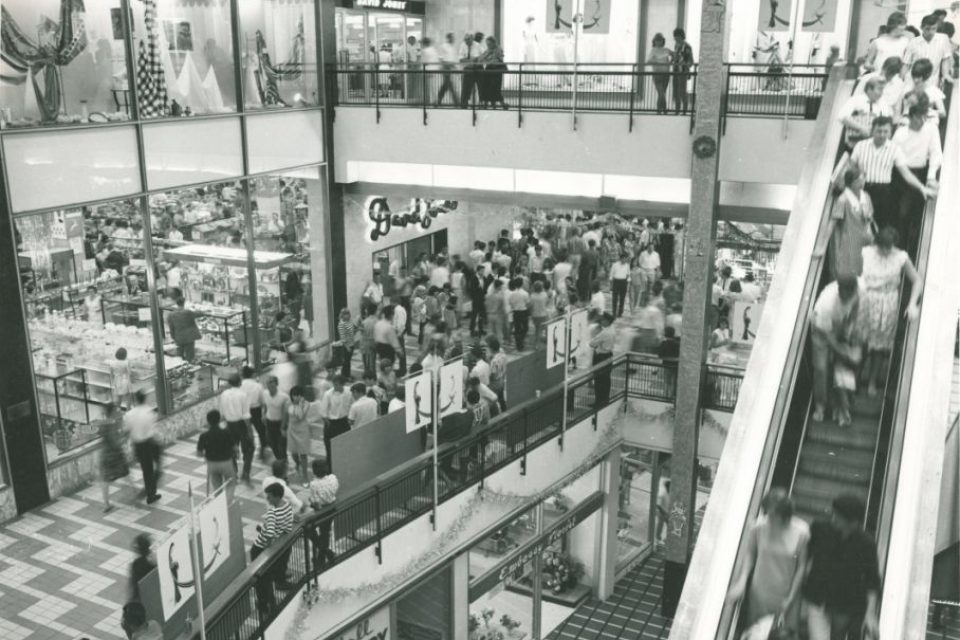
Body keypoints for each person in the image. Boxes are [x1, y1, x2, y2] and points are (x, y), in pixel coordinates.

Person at [727, 489, 810, 633]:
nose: (768, 517)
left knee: (784, 633)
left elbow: (803, 566)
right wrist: (741, 583)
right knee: (757, 632)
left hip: (786, 592)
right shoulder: (759, 527)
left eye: (773, 514)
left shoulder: (802, 531)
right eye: (767, 513)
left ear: (785, 514)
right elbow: (750, 555)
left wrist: (790, 599)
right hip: (760, 592)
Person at [803, 494, 880, 640]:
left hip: (845, 605)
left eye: (839, 517)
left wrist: (870, 614)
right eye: (833, 514)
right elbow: (804, 557)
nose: (833, 519)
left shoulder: (866, 544)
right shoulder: (820, 529)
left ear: (854, 522)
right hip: (817, 599)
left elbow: (873, 581)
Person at [858, 227, 922, 398]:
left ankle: (872, 381)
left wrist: (912, 304)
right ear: (877, 244)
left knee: (879, 346)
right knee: (862, 342)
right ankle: (856, 379)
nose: (886, 251)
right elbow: (856, 276)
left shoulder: (901, 257)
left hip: (888, 304)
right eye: (882, 247)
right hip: (867, 300)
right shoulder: (866, 253)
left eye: (889, 247)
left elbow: (917, 280)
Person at [850, 116, 935, 230]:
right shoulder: (860, 146)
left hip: (883, 193)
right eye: (879, 131)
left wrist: (922, 188)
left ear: (890, 132)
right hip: (862, 190)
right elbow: (850, 168)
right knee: (860, 225)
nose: (882, 135)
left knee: (881, 226)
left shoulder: (895, 149)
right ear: (872, 131)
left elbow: (906, 174)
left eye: (886, 131)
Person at [810, 274, 862, 425]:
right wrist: (843, 351)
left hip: (839, 324)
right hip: (821, 329)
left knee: (843, 365)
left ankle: (843, 406)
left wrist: (850, 330)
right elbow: (827, 336)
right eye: (840, 291)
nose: (841, 294)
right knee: (821, 368)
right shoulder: (827, 303)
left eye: (846, 292)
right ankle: (820, 407)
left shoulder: (858, 291)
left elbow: (855, 307)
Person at [892, 98, 942, 255]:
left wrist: (931, 176)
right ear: (910, 117)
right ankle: (900, 248)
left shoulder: (931, 129)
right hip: (900, 174)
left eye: (924, 117)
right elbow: (893, 156)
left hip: (919, 173)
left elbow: (936, 152)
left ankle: (909, 248)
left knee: (910, 212)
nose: (922, 121)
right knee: (900, 212)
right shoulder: (900, 133)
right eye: (919, 117)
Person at [251, 483, 296, 615]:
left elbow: (269, 534)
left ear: (276, 497)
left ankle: (264, 604)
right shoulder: (287, 506)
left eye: (269, 497)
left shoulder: (272, 512)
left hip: (260, 548)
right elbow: (287, 528)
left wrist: (266, 547)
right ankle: (269, 603)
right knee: (267, 577)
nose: (267, 499)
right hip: (276, 545)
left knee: (261, 579)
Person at [828, 166, 875, 278]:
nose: (863, 182)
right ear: (852, 182)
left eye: (863, 179)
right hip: (847, 242)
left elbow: (869, 219)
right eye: (859, 180)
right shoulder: (842, 200)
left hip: (864, 241)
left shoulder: (866, 197)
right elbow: (832, 223)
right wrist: (821, 247)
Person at [124, 391, 161, 504]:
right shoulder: (150, 412)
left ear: (135, 399)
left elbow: (126, 430)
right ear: (144, 398)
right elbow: (153, 427)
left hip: (138, 445)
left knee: (146, 469)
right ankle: (150, 492)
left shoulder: (129, 415)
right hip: (151, 443)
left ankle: (150, 492)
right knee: (158, 466)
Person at [839, 77, 892, 149]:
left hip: (875, 145)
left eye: (882, 90)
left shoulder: (884, 104)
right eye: (879, 89)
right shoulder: (855, 100)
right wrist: (861, 128)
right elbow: (842, 117)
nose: (881, 93)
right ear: (869, 89)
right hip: (855, 144)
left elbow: (887, 122)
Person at [220, 374, 254, 484]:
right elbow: (246, 415)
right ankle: (246, 473)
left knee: (231, 450)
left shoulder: (224, 394)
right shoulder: (243, 395)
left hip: (229, 425)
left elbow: (222, 413)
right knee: (249, 448)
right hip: (241, 425)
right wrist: (250, 431)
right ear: (240, 382)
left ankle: (234, 473)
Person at [903, 13, 954, 83]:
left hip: (932, 81)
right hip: (913, 80)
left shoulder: (943, 39)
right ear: (921, 27)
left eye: (934, 28)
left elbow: (945, 59)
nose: (931, 32)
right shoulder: (913, 42)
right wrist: (900, 81)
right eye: (927, 29)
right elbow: (906, 64)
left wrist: (946, 74)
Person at [307, 459, 339, 568]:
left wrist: (311, 502)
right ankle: (324, 555)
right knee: (325, 532)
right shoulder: (333, 479)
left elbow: (315, 501)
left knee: (311, 529)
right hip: (331, 508)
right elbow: (335, 490)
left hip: (321, 511)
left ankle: (325, 553)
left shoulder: (314, 484)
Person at [197, 409, 236, 494]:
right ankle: (228, 503)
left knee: (217, 488)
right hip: (226, 462)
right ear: (219, 419)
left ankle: (219, 503)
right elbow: (234, 447)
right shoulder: (226, 433)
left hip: (212, 464)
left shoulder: (204, 436)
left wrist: (206, 456)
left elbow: (199, 453)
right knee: (230, 484)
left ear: (208, 421)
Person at [98, 403, 128, 512]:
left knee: (105, 479)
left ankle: (106, 504)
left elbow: (87, 429)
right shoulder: (113, 424)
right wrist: (124, 438)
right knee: (125, 473)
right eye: (116, 410)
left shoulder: (102, 423)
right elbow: (115, 441)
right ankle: (133, 494)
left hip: (104, 455)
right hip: (114, 454)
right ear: (112, 412)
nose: (118, 412)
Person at [318, 375, 351, 470]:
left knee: (345, 447)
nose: (335, 387)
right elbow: (323, 412)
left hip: (344, 422)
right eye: (334, 384)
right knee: (330, 449)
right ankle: (331, 470)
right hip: (331, 423)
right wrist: (328, 425)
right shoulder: (328, 394)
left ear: (342, 385)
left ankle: (344, 468)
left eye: (337, 385)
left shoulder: (349, 391)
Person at [286, 386, 314, 485]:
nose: (296, 397)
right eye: (294, 395)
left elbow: (300, 416)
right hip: (292, 430)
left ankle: (305, 477)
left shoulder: (306, 404)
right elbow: (287, 416)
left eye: (299, 395)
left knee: (303, 454)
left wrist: (300, 404)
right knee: (293, 453)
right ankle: (297, 464)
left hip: (302, 431)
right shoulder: (289, 404)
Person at [241, 366, 267, 460]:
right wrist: (264, 414)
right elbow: (263, 401)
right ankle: (262, 451)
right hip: (256, 410)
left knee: (244, 431)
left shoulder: (240, 385)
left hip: (243, 410)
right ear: (252, 374)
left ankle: (246, 450)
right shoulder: (258, 385)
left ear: (242, 375)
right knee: (261, 431)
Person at [590, 312, 616, 407]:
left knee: (599, 380)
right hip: (608, 355)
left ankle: (599, 401)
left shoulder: (605, 333)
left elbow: (592, 343)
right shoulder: (612, 329)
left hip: (601, 357)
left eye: (602, 320)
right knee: (606, 379)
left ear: (607, 321)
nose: (601, 321)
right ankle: (605, 400)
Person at [261, 375, 289, 461]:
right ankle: (279, 460)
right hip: (270, 423)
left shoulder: (284, 396)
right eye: (268, 383)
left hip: (280, 423)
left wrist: (283, 427)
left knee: (281, 445)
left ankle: (283, 461)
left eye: (271, 382)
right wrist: (263, 415)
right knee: (272, 443)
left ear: (276, 384)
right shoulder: (265, 394)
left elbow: (285, 413)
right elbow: (265, 405)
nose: (269, 385)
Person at [478, 36, 507, 109]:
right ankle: (487, 104)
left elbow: (496, 60)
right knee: (486, 86)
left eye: (490, 44)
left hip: (496, 70)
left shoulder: (498, 49)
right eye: (487, 44)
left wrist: (488, 59)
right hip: (489, 70)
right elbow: (480, 59)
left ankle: (497, 104)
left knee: (495, 88)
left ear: (494, 43)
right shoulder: (488, 50)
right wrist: (488, 55)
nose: (488, 45)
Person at [168, 297, 200, 361]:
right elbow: (199, 314)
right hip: (189, 337)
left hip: (179, 337)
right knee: (190, 355)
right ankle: (189, 367)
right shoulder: (188, 312)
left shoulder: (171, 315)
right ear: (184, 303)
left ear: (176, 304)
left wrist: (173, 337)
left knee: (179, 355)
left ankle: (180, 367)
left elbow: (171, 327)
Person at [648, 33, 673, 114]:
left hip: (666, 74)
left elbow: (675, 55)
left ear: (663, 41)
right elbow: (648, 61)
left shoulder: (666, 50)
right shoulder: (653, 50)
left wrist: (671, 62)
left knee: (662, 93)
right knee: (661, 93)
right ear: (654, 41)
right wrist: (656, 61)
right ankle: (664, 110)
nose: (658, 42)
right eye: (657, 40)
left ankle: (659, 111)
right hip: (657, 74)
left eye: (660, 40)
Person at [672, 28, 695, 113]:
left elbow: (691, 61)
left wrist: (684, 65)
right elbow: (676, 57)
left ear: (681, 36)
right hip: (675, 71)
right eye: (675, 37)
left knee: (682, 91)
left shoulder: (687, 47)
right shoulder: (676, 46)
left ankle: (684, 111)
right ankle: (677, 110)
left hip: (683, 71)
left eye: (677, 36)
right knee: (676, 91)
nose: (675, 38)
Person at [128, 533, 155, 604]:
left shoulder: (136, 564)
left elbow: (133, 583)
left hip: (139, 597)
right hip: (151, 595)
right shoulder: (153, 563)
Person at [460, 33, 484, 107]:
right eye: (465, 40)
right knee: (465, 88)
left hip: (478, 69)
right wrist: (472, 60)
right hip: (468, 69)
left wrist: (469, 60)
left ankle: (482, 103)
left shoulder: (477, 45)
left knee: (481, 87)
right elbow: (461, 59)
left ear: (472, 39)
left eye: (468, 40)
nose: (466, 42)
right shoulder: (463, 45)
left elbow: (482, 57)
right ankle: (464, 103)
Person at [507, 277, 530, 351]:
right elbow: (527, 303)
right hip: (523, 312)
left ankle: (518, 344)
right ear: (522, 284)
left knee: (517, 328)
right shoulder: (525, 293)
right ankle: (521, 341)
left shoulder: (512, 294)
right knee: (525, 328)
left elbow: (510, 302)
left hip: (516, 312)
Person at [437, 33, 460, 106]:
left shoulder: (452, 47)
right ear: (448, 38)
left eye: (454, 38)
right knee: (449, 84)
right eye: (452, 38)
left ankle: (438, 99)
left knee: (446, 85)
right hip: (445, 68)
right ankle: (456, 101)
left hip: (451, 67)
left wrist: (454, 66)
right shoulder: (443, 46)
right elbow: (441, 58)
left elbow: (453, 58)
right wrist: (448, 65)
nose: (453, 39)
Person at [486, 335, 508, 412]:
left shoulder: (494, 361)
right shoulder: (503, 354)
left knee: (493, 399)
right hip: (502, 379)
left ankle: (495, 414)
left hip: (495, 383)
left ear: (491, 348)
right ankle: (505, 411)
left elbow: (492, 374)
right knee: (501, 398)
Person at [335, 307, 356, 380]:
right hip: (346, 346)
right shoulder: (341, 324)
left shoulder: (349, 321)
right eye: (345, 314)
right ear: (342, 315)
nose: (347, 316)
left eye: (348, 314)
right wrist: (347, 347)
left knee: (348, 361)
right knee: (346, 362)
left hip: (352, 343)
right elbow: (343, 337)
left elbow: (353, 330)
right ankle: (345, 376)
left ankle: (348, 374)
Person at [609, 252, 630, 317]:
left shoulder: (627, 265)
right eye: (623, 259)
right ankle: (614, 313)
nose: (625, 260)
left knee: (622, 298)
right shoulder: (615, 265)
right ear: (620, 259)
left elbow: (628, 275)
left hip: (623, 282)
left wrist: (628, 284)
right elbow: (611, 275)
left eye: (626, 259)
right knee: (614, 298)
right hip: (616, 282)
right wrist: (611, 284)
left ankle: (620, 313)